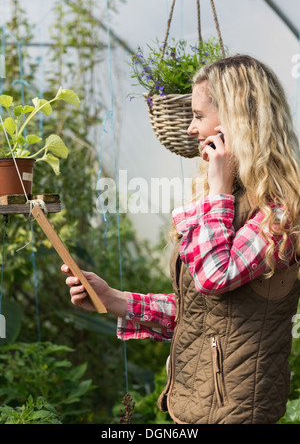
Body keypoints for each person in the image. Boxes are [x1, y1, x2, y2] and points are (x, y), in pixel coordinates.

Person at [62, 54, 300, 424]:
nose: (191, 129)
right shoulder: (229, 200)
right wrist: (113, 300)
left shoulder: (280, 211)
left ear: (237, 123)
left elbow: (213, 278)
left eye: (199, 116)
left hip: (238, 411)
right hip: (195, 406)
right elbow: (199, 311)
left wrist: (217, 192)